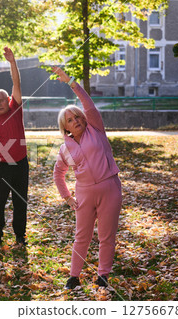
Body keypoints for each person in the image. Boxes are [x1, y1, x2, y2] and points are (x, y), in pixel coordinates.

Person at [52, 66, 122, 289]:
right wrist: (67, 197)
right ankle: (74, 276)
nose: (77, 120)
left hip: (110, 188)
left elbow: (88, 103)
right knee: (82, 236)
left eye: (77, 116)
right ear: (66, 128)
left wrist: (70, 81)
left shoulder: (95, 128)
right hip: (84, 195)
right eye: (71, 120)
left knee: (106, 235)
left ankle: (103, 275)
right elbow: (58, 174)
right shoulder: (65, 149)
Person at [0, 47, 28, 248]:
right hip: (0, 166)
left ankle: (20, 235)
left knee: (20, 201)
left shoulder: (15, 109)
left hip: (20, 164)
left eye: (2, 100)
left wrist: (12, 62)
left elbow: (16, 83)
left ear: (8, 100)